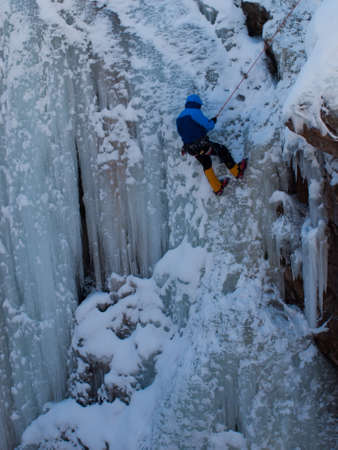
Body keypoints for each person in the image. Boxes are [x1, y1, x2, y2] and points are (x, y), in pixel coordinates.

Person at [176, 94, 247, 196]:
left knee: (206, 163)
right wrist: (213, 121)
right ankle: (237, 171)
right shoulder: (195, 112)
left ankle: (217, 188)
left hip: (190, 148)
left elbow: (183, 133)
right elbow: (208, 126)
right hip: (201, 145)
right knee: (222, 150)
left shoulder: (179, 118)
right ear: (197, 104)